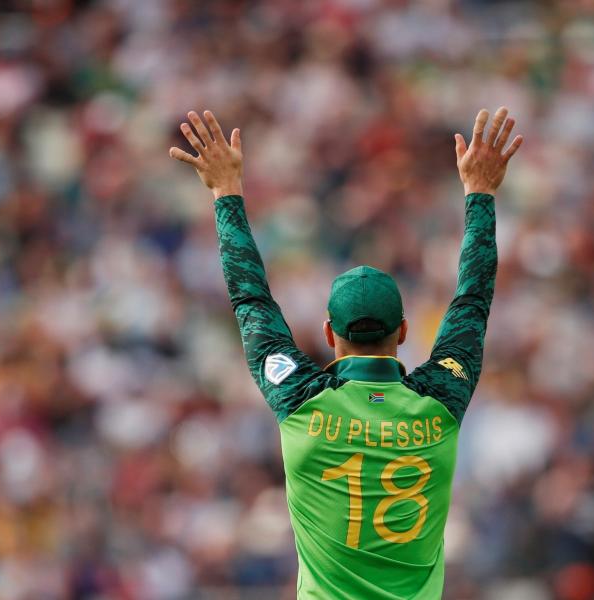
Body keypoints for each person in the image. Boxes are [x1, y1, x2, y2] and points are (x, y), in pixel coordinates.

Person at [170, 107, 522, 599]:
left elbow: (250, 299)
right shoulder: (439, 403)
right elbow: (473, 301)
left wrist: (225, 192)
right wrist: (480, 194)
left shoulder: (302, 402)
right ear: (402, 332)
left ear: (329, 334)